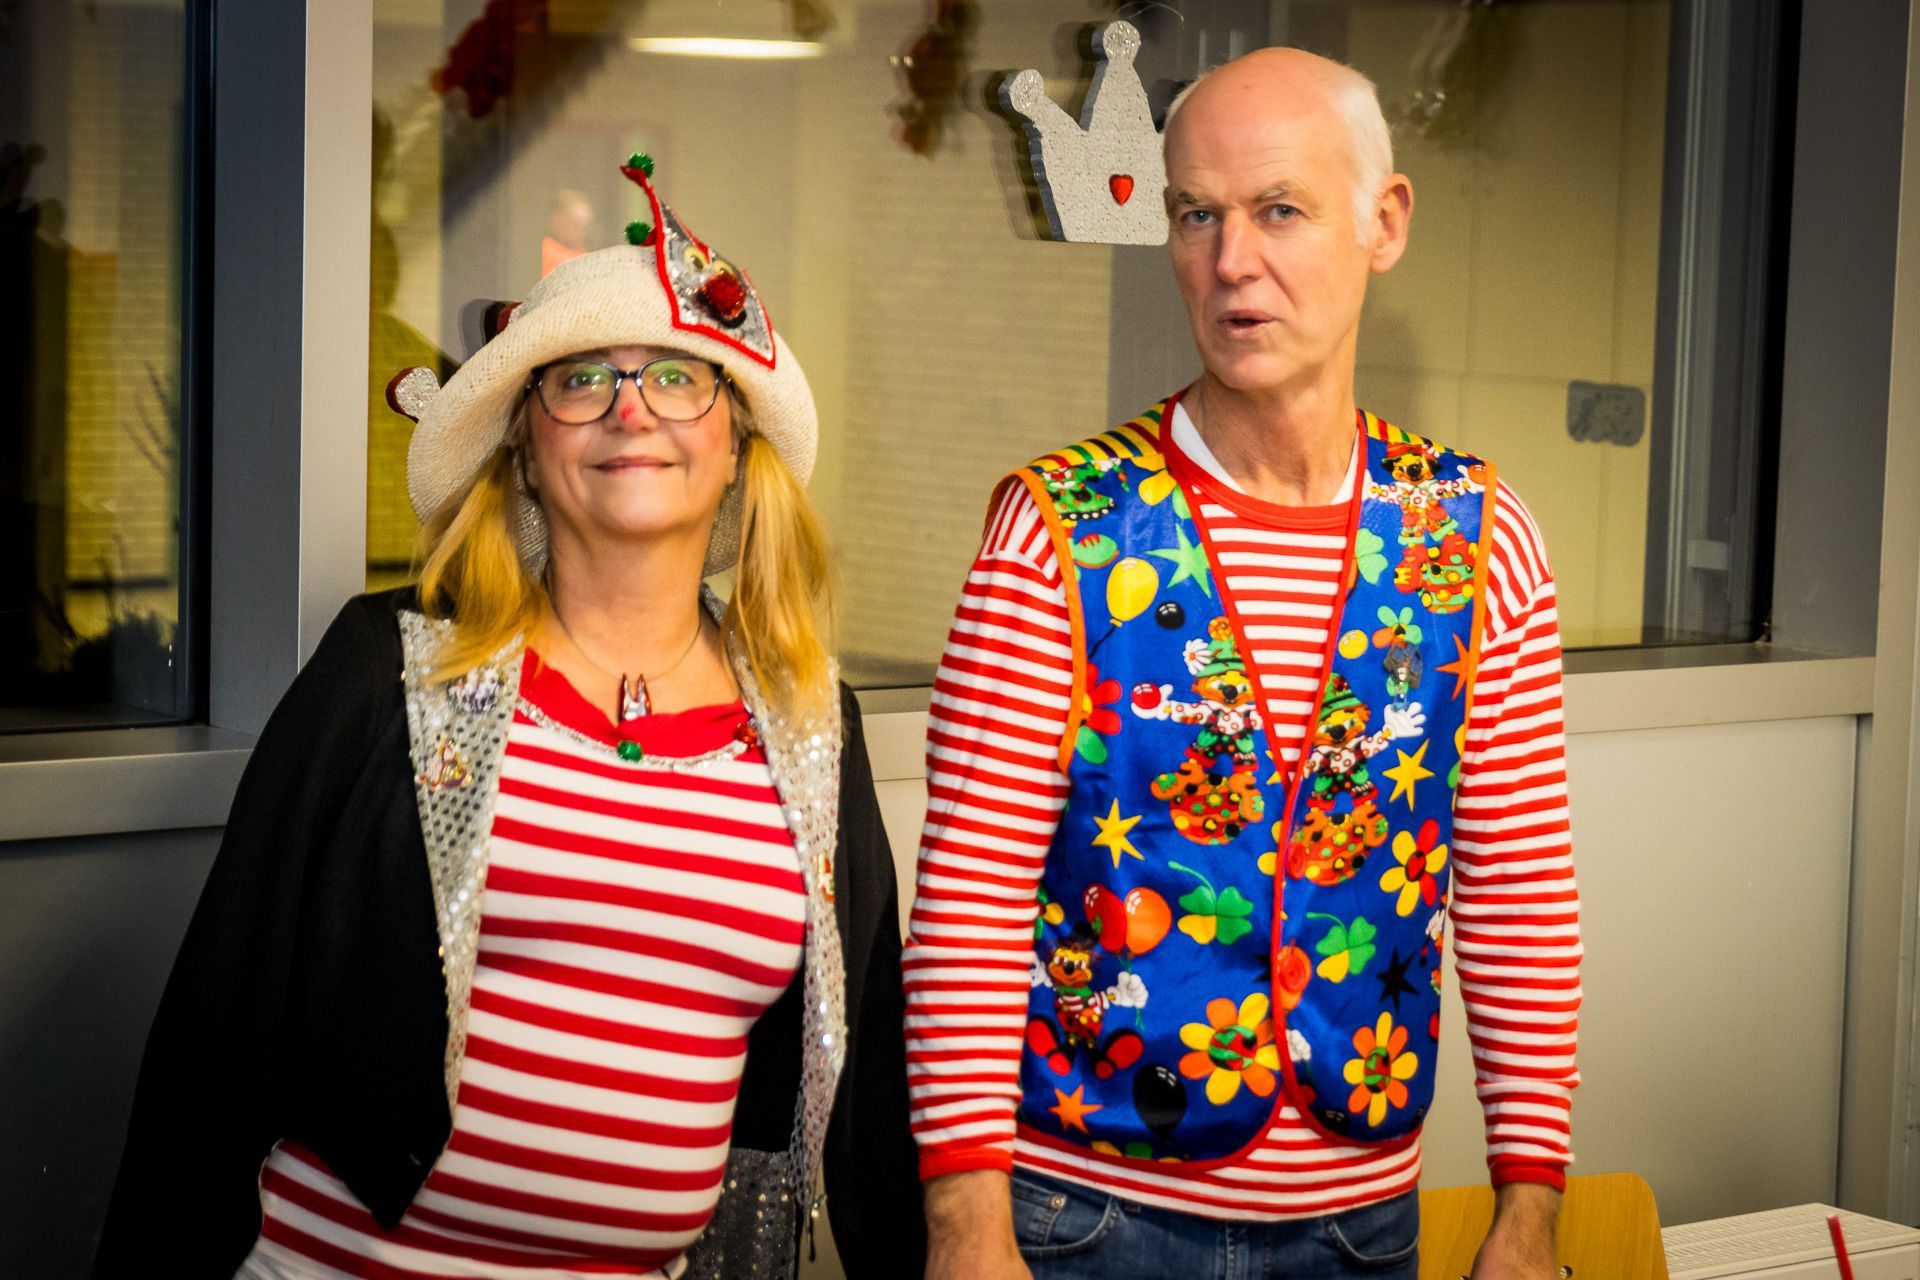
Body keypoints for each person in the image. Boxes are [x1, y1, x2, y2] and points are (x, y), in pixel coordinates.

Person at [95, 156, 923, 1280]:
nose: (629, 409)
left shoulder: (813, 723)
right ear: (526, 449)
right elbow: (219, 1018)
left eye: (677, 376)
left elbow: (871, 1080)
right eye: (580, 380)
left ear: (736, 445)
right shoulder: (389, 669)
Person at [906, 48, 1580, 1280]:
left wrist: (1529, 1206)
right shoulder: (1060, 529)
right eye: (1194, 215)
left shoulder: (1477, 539)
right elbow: (969, 903)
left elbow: (1518, 894)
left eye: (1278, 210)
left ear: (1385, 222)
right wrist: (965, 1225)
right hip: (1084, 1218)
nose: (1229, 262)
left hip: (1361, 1225)